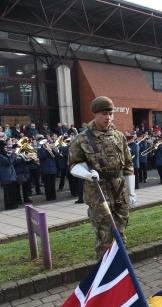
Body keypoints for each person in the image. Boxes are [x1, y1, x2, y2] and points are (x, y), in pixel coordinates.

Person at [68, 96, 136, 259]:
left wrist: (132, 192)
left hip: (120, 191)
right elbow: (73, 165)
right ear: (95, 114)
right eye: (104, 114)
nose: (108, 117)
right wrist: (87, 174)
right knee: (104, 237)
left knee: (120, 233)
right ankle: (105, 274)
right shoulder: (82, 139)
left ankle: (121, 269)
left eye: (111, 114)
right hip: (98, 194)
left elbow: (128, 165)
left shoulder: (119, 136)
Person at [0, 140, 18, 210]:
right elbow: (8, 162)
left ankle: (13, 204)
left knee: (12, 190)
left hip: (10, 174)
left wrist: (14, 155)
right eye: (4, 147)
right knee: (7, 191)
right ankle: (9, 205)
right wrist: (13, 154)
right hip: (5, 175)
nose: (6, 148)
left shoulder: (4, 154)